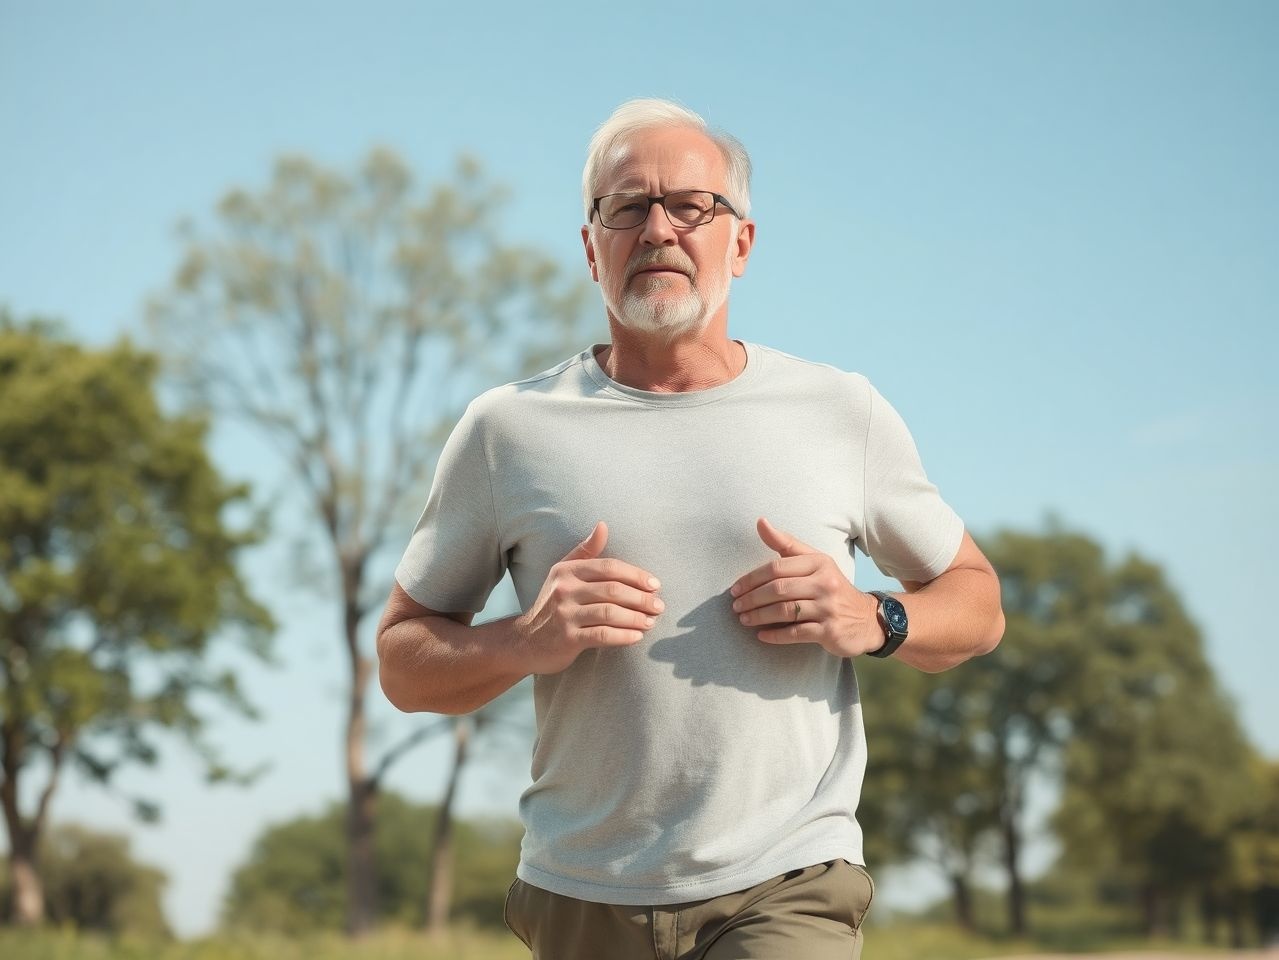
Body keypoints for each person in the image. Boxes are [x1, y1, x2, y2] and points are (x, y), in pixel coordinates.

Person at [376, 98, 1005, 959]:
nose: (658, 229)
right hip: (582, 893)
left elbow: (978, 604)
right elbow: (403, 663)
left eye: (691, 206)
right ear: (591, 247)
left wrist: (876, 617)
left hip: (788, 878)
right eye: (627, 206)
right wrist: (523, 639)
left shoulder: (839, 411)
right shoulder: (506, 430)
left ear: (740, 243)